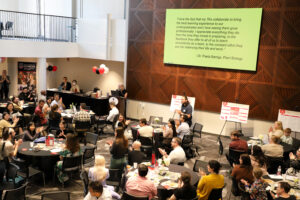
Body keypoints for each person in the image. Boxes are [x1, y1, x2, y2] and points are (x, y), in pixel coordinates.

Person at [0, 128, 22, 192]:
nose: (15, 133)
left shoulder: (3, 141)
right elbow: (13, 154)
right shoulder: (9, 144)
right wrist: (17, 145)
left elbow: (9, 150)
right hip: (5, 163)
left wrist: (15, 145)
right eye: (13, 132)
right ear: (10, 135)